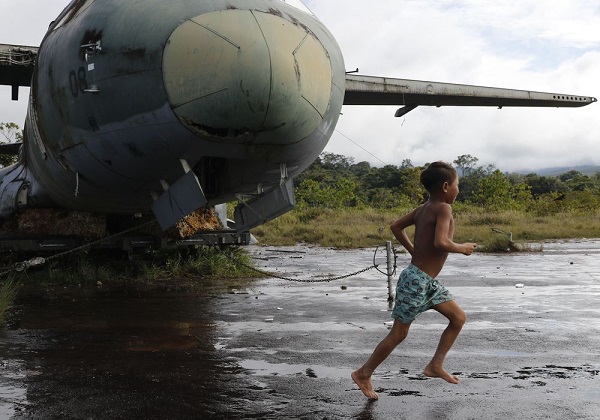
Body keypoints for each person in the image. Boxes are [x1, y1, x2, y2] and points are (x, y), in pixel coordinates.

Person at [351, 161, 477, 400]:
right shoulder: (443, 209)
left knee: (458, 317)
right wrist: (461, 248)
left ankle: (435, 365)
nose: (459, 190)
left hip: (425, 281)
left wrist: (414, 251)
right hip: (416, 281)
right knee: (399, 334)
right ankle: (363, 373)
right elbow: (441, 242)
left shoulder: (424, 208)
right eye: (458, 184)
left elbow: (396, 226)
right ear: (446, 186)